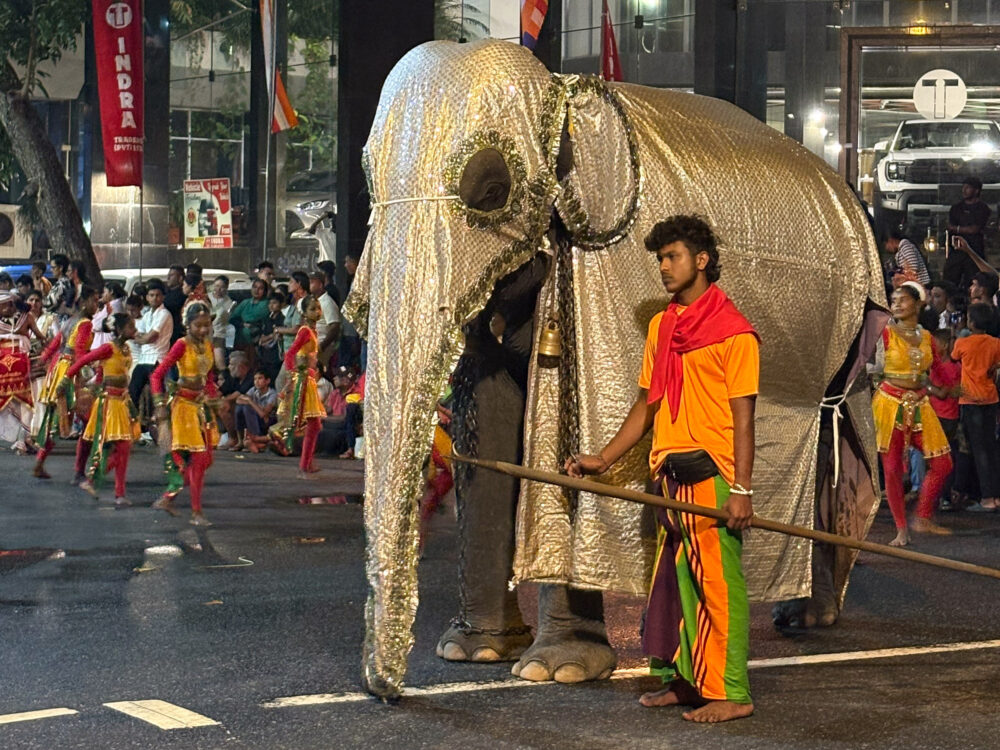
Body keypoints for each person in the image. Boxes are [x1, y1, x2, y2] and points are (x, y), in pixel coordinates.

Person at [566, 215, 757, 723]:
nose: (664, 267)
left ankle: (732, 692)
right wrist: (602, 459)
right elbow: (646, 407)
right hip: (667, 472)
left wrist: (741, 488)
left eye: (672, 257)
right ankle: (687, 683)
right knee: (674, 583)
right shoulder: (663, 326)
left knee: (718, 587)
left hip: (711, 476)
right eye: (660, 259)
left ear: (702, 260)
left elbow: (744, 420)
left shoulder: (736, 334)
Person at [870, 282, 953, 545]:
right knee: (893, 469)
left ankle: (922, 516)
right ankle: (901, 528)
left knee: (943, 464)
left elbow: (938, 372)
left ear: (918, 304)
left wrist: (949, 389)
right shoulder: (885, 334)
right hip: (889, 404)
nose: (896, 304)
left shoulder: (927, 337)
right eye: (893, 300)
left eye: (903, 299)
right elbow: (869, 365)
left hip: (920, 404)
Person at [151, 303, 220, 526]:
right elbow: (157, 375)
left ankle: (169, 496)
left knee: (205, 459)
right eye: (198, 325)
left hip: (201, 407)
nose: (202, 330)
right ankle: (196, 512)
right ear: (187, 325)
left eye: (206, 325)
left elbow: (208, 377)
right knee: (199, 459)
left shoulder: (208, 346)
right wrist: (159, 402)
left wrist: (212, 393)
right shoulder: (181, 345)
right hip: (183, 408)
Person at [63, 313, 139, 505]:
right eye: (131, 327)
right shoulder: (108, 348)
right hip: (109, 404)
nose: (135, 330)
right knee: (121, 448)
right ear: (120, 330)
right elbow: (82, 360)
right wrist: (66, 379)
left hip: (121, 402)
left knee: (122, 448)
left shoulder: (126, 349)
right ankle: (101, 484)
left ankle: (111, 489)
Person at [33, 286, 100, 479]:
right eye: (94, 301)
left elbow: (56, 344)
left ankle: (39, 462)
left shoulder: (71, 320)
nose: (96, 305)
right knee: (88, 422)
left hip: (59, 368)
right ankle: (80, 470)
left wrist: (44, 359)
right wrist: (89, 372)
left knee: (56, 420)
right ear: (85, 302)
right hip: (72, 373)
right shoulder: (85, 323)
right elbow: (79, 351)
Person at [951, 303, 1000, 512]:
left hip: (971, 401)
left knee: (978, 451)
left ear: (971, 322)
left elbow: (953, 357)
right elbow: (996, 364)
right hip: (990, 398)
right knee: (991, 448)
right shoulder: (995, 343)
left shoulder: (963, 343)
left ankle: (987, 498)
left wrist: (955, 332)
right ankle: (996, 496)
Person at [281, 294, 327, 478]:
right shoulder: (305, 331)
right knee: (310, 423)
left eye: (318, 308)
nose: (317, 311)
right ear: (304, 312)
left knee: (313, 424)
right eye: (313, 309)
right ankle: (304, 464)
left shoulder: (312, 332)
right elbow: (290, 353)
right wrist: (294, 374)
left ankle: (306, 463)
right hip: (303, 380)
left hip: (308, 379)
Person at [927, 328, 967, 512]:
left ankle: (942, 496)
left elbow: (942, 393)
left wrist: (925, 385)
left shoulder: (946, 368)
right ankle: (942, 496)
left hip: (943, 418)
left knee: (939, 458)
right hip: (947, 416)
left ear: (942, 346)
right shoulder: (952, 367)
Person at [130, 280, 173, 442]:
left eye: (157, 295)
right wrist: (143, 339)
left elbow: (150, 336)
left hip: (157, 359)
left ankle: (161, 432)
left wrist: (143, 339)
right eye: (151, 295)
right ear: (147, 297)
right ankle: (133, 428)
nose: (154, 298)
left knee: (157, 398)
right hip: (143, 359)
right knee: (132, 393)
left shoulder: (164, 314)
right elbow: (137, 336)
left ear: (162, 297)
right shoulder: (147, 315)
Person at [0, 291, 44, 452]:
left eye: (1, 307)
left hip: (25, 368)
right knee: (12, 407)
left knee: (26, 404)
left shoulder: (27, 318)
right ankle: (23, 439)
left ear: (9, 305)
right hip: (3, 372)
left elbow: (41, 338)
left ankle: (22, 440)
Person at [945, 177, 992, 290]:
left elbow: (975, 229)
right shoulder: (956, 208)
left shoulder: (982, 208)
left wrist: (957, 228)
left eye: (968, 188)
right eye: (963, 187)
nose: (964, 190)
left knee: (974, 282)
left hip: (974, 252)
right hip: (956, 251)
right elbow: (949, 226)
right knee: (949, 282)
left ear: (976, 191)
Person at [217, 350, 254, 449]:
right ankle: (231, 438)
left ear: (241, 366)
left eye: (232, 364)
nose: (229, 367)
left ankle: (236, 439)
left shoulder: (251, 377)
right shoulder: (233, 377)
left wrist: (222, 400)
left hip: (252, 408)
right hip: (237, 406)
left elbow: (238, 394)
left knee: (225, 405)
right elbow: (221, 391)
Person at [230, 278, 270, 367]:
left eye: (260, 288)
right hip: (241, 337)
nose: (257, 290)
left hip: (258, 336)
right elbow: (232, 318)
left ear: (265, 291)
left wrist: (247, 322)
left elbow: (256, 317)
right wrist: (242, 324)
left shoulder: (267, 304)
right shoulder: (245, 302)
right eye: (254, 287)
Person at [234, 369, 278, 451]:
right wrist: (252, 403)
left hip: (267, 423)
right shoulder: (253, 390)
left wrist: (250, 401)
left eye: (260, 378)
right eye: (255, 379)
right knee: (240, 408)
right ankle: (240, 440)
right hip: (255, 419)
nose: (257, 381)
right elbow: (238, 400)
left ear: (267, 381)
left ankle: (255, 439)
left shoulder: (272, 394)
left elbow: (263, 414)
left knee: (247, 408)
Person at [309, 271, 341, 367]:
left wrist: (322, 346)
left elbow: (335, 326)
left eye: (313, 282)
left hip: (323, 347)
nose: (310, 284)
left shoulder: (327, 302)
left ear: (320, 285)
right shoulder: (314, 301)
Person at [209, 275, 234, 372]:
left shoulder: (229, 303)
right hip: (206, 333)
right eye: (216, 286)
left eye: (222, 287)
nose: (218, 289)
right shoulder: (207, 297)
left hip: (219, 334)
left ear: (226, 287)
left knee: (220, 362)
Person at [44, 253, 74, 320]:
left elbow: (50, 304)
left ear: (60, 268)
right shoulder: (67, 282)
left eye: (53, 267)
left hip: (60, 320)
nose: (51, 270)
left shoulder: (61, 284)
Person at [163, 265, 186, 343]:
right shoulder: (166, 293)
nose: (168, 278)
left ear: (180, 278)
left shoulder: (182, 295)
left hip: (176, 334)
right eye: (168, 275)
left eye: (172, 275)